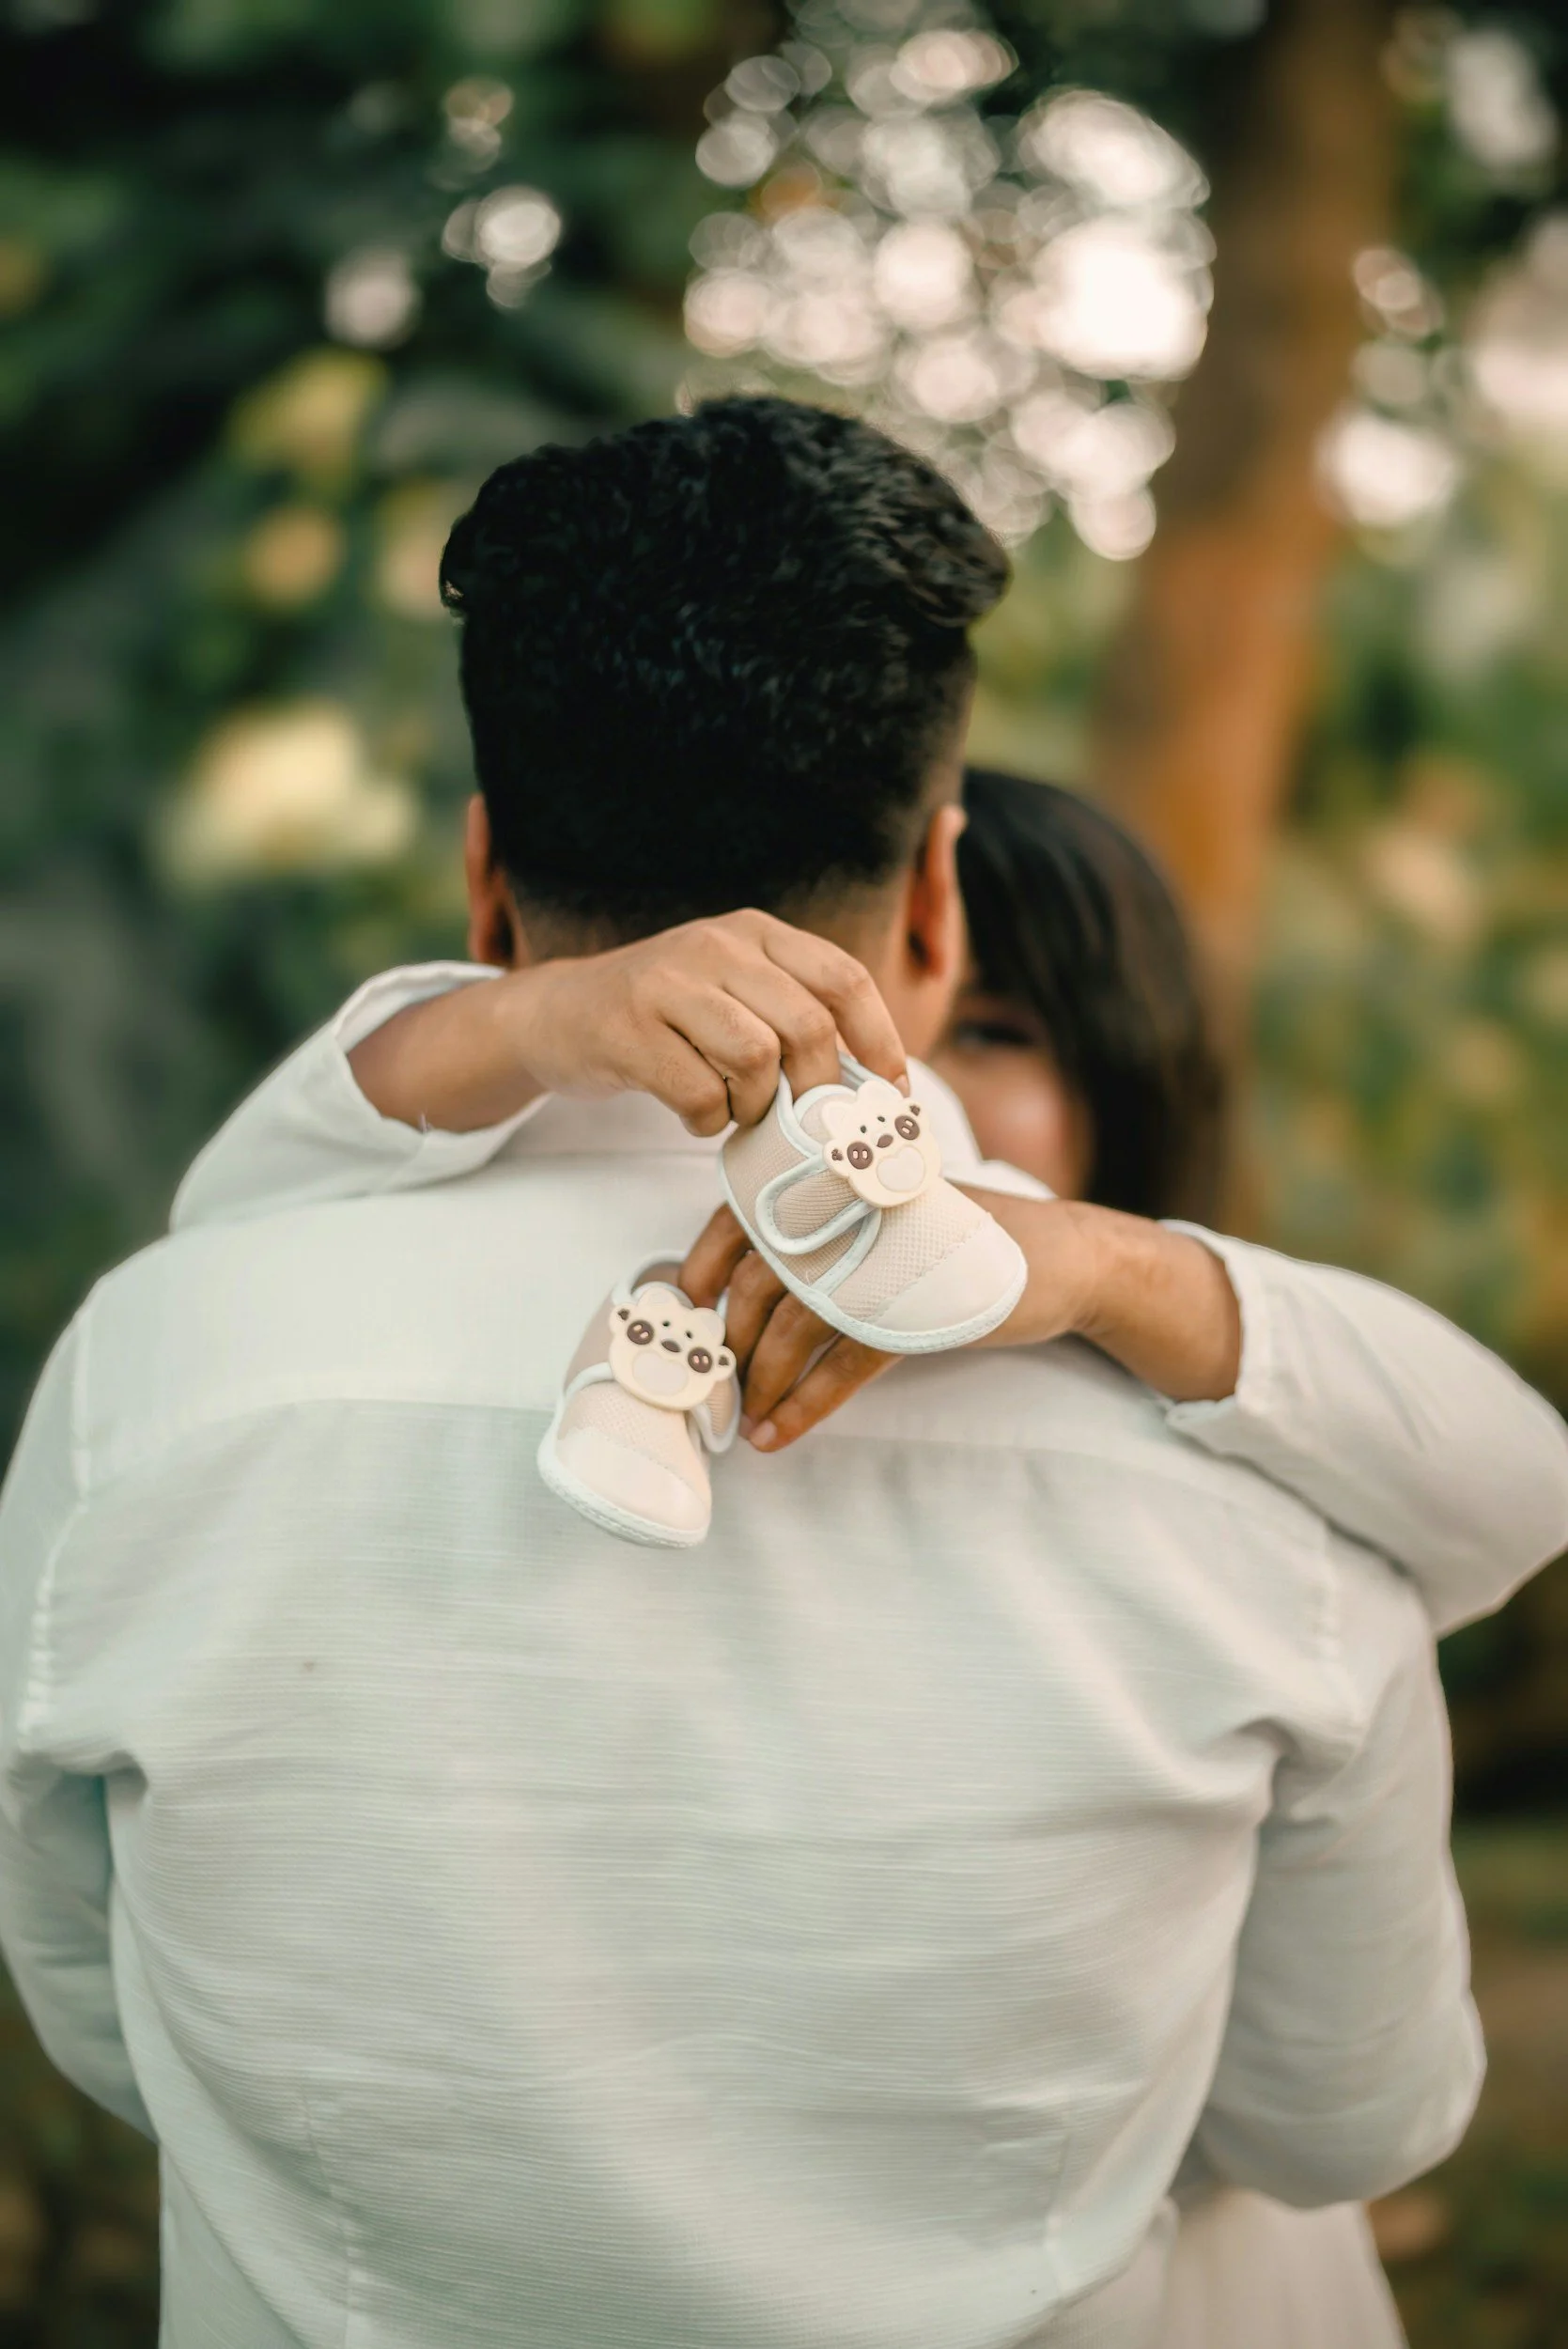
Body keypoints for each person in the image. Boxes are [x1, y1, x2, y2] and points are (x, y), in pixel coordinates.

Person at [0, 398, 1555, 2349]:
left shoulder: (157, 1370)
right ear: (936, 897)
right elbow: (1347, 2115)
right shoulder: (1260, 1483)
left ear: (487, 889)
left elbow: (105, 2013)